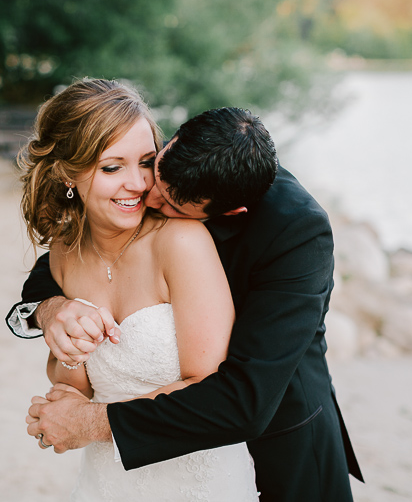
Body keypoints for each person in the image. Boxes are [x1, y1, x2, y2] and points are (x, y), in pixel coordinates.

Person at [9, 102, 364, 501]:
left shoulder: (296, 232)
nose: (148, 193)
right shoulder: (164, 170)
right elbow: (70, 263)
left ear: (229, 212)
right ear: (173, 142)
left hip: (273, 425)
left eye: (173, 207)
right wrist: (50, 309)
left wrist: (90, 422)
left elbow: (244, 401)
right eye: (153, 167)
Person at [16, 78, 260, 500]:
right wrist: (59, 390)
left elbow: (208, 384)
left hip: (196, 479)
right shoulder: (64, 252)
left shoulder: (181, 242)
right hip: (106, 482)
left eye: (147, 161)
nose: (138, 183)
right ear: (68, 175)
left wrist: (88, 419)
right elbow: (77, 382)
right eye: (113, 167)